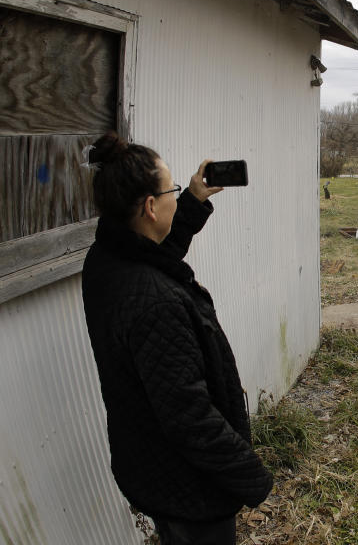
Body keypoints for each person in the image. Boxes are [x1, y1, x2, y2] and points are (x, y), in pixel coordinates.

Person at [81, 132, 273, 545]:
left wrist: (193, 200)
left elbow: (156, 253)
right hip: (189, 486)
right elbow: (190, 418)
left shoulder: (106, 259)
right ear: (150, 207)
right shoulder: (156, 304)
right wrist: (251, 475)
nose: (176, 194)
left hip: (148, 462)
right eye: (172, 190)